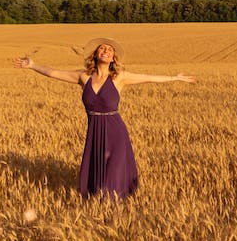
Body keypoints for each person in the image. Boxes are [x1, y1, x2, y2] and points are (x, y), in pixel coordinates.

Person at [13, 37, 195, 199]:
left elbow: (148, 77)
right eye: (102, 48)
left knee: (112, 172)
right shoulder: (83, 77)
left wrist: (174, 78)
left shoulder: (119, 77)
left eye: (110, 50)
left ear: (113, 57)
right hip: (95, 130)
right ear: (95, 54)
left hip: (115, 132)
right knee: (98, 172)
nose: (106, 51)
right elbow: (54, 73)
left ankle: (112, 206)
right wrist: (32, 65)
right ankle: (99, 207)